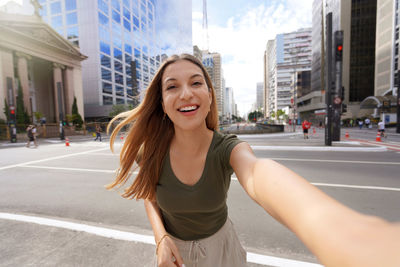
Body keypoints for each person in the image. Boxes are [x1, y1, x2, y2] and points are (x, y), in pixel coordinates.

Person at [106, 54, 400, 267]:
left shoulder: (227, 149)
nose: (186, 93)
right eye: (172, 86)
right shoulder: (152, 149)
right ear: (161, 103)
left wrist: (348, 234)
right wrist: (161, 239)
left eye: (196, 83)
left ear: (209, 96)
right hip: (172, 255)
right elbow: (149, 194)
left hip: (222, 251)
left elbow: (260, 175)